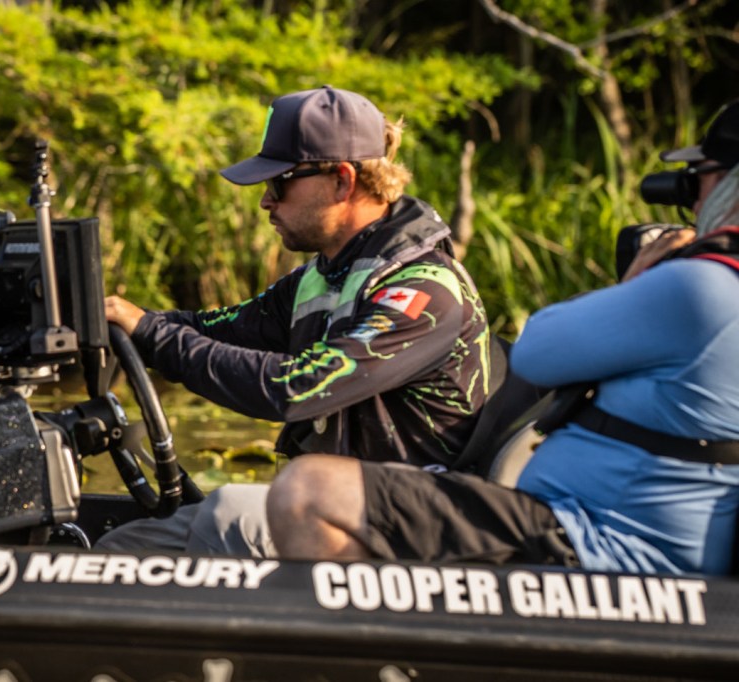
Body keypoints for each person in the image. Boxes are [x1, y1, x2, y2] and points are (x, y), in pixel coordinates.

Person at [267, 99, 739, 575]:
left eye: (700, 178)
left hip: (602, 545)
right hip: (587, 528)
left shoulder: (701, 286)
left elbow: (536, 351)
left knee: (311, 492)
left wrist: (636, 285)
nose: (693, 200)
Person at [98, 86, 491, 555]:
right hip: (329, 506)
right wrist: (118, 321)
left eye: (278, 182)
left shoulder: (423, 292)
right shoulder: (322, 276)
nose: (266, 201)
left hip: (412, 531)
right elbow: (211, 329)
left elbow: (297, 388)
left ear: (342, 181)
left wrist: (152, 333)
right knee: (120, 544)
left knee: (211, 517)